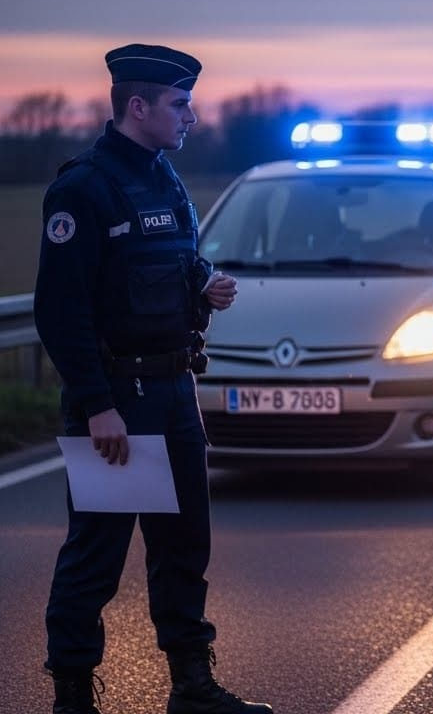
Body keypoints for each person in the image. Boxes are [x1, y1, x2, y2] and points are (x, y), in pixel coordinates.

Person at [33, 45, 270, 714]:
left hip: (171, 393)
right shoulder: (85, 187)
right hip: (118, 401)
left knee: (183, 545)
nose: (191, 116)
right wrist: (97, 405)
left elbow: (170, 262)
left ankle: (192, 687)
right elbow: (61, 311)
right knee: (97, 556)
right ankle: (73, 697)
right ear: (137, 107)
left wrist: (205, 284)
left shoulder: (162, 176)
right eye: (179, 104)